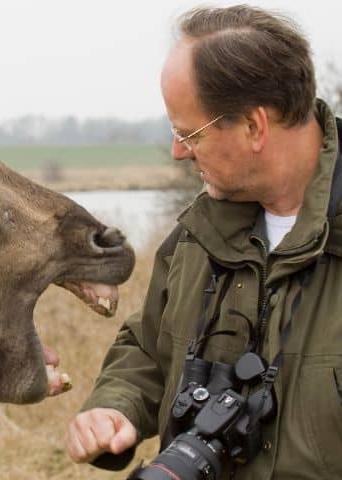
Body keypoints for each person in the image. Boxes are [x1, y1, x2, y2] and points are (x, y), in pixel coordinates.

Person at [65, 5, 342, 479]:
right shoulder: (195, 237)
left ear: (255, 127)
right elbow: (151, 345)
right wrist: (116, 407)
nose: (177, 152)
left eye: (187, 132)